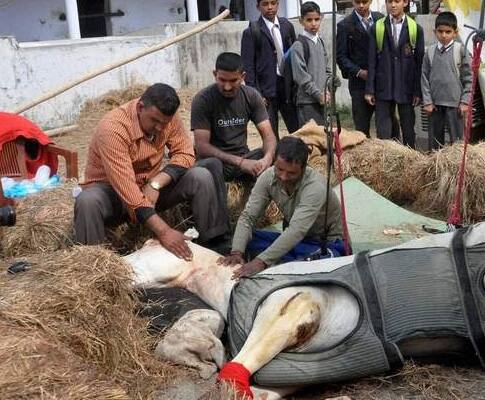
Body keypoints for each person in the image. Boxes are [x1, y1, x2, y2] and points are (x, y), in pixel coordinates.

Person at [74, 83, 231, 257]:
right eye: (155, 121)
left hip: (150, 189)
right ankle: (94, 266)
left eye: (165, 123)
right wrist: (164, 232)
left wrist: (156, 183)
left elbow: (185, 154)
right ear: (141, 107)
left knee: (200, 176)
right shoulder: (113, 128)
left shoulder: (166, 118)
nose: (160, 128)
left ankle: (215, 246)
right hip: (113, 194)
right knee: (87, 201)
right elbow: (128, 192)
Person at [221, 136, 344, 278]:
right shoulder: (268, 176)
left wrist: (261, 261)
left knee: (324, 264)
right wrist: (237, 252)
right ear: (274, 161)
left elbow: (297, 231)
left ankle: (283, 263)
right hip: (292, 242)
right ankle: (284, 262)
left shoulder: (315, 187)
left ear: (304, 168)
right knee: (245, 239)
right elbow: (248, 217)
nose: (283, 177)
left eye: (291, 173)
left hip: (322, 243)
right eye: (279, 169)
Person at [191, 52, 276, 184]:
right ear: (215, 75)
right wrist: (240, 162)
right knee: (212, 166)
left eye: (233, 81)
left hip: (244, 157)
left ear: (243, 77)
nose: (227, 87)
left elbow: (268, 136)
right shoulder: (203, 99)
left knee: (281, 153)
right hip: (216, 162)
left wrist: (267, 159)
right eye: (222, 80)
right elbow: (202, 146)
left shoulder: (251, 96)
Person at [365, 0, 425, 148]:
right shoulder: (377, 28)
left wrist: (418, 91)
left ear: (405, 3)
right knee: (383, 132)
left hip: (406, 87)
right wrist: (369, 89)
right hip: (383, 87)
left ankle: (410, 162)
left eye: (397, 1)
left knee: (408, 130)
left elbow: (419, 63)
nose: (393, 5)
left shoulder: (415, 29)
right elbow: (372, 61)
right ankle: (385, 163)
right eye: (389, 1)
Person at [241, 0, 299, 138]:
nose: (270, 7)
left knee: (297, 130)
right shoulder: (252, 32)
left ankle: (298, 159)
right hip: (265, 91)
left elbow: (295, 55)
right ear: (258, 7)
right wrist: (256, 93)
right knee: (271, 135)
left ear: (278, 4)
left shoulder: (287, 27)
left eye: (273, 3)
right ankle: (273, 159)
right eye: (265, 4)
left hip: (287, 88)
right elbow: (247, 66)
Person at [421, 11, 471, 151]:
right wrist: (428, 101)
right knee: (435, 143)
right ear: (434, 31)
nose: (444, 35)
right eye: (440, 31)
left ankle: (456, 170)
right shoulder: (430, 52)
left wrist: (465, 101)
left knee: (457, 142)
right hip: (435, 105)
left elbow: (469, 78)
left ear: (455, 32)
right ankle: (435, 168)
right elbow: (424, 77)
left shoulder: (460, 50)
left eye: (448, 32)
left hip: (455, 106)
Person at [336, 0, 385, 137]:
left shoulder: (380, 19)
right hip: (359, 85)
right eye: (358, 2)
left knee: (387, 125)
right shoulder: (345, 25)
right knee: (362, 128)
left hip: (381, 83)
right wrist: (359, 72)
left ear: (370, 1)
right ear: (353, 2)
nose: (361, 6)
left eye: (365, 2)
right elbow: (341, 57)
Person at [290, 1, 339, 125]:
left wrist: (331, 83)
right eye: (309, 20)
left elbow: (327, 69)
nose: (313, 23)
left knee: (325, 139)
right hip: (307, 102)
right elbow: (301, 76)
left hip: (323, 101)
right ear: (301, 21)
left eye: (317, 19)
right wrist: (318, 94)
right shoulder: (299, 45)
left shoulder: (320, 42)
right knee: (310, 141)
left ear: (321, 18)